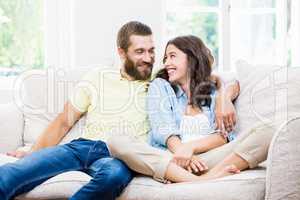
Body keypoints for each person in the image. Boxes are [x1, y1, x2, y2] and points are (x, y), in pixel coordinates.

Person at [0, 21, 156, 200]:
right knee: (14, 171)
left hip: (119, 156)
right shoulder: (98, 77)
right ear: (121, 52)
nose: (148, 58)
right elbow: (64, 121)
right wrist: (33, 152)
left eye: (151, 50)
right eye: (139, 51)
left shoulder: (160, 84)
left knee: (114, 176)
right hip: (82, 147)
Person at [108, 35, 273, 183]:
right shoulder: (161, 86)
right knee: (117, 140)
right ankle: (202, 180)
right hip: (171, 160)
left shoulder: (212, 90)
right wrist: (183, 151)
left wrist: (224, 98)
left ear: (192, 59)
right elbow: (163, 130)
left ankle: (202, 176)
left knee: (268, 131)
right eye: (165, 58)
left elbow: (224, 136)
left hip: (210, 159)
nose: (166, 63)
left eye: (172, 56)